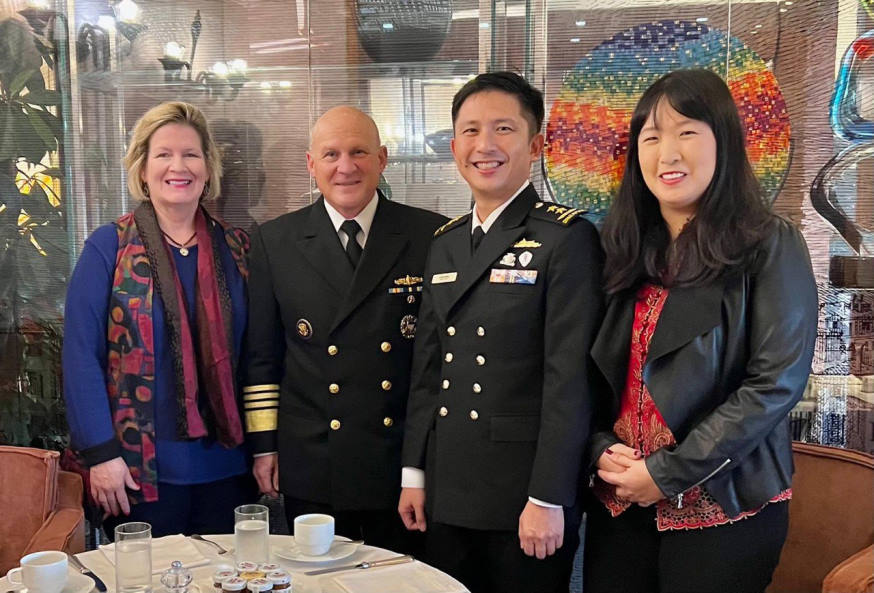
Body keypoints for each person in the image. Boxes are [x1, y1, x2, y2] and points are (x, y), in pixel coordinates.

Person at [584, 68, 818, 593]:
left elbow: (774, 384)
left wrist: (667, 472)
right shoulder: (623, 248)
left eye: (686, 132)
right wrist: (599, 447)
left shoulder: (769, 243)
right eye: (651, 136)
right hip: (620, 503)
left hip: (725, 505)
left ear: (724, 140)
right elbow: (587, 372)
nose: (667, 153)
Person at [398, 71, 604, 593]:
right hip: (448, 486)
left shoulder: (565, 238)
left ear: (535, 144)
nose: (484, 145)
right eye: (470, 131)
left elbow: (569, 381)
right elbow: (428, 367)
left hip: (524, 493)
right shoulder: (444, 241)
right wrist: (414, 474)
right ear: (453, 146)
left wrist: (549, 497)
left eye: (503, 129)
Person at [243, 106, 447, 550]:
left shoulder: (430, 235)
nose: (346, 166)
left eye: (358, 152)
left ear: (383, 159)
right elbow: (262, 358)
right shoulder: (275, 242)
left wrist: (423, 462)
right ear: (311, 164)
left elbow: (435, 364)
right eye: (331, 154)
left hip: (399, 462)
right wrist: (264, 446)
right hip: (313, 459)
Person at [63, 101, 254, 538]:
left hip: (228, 469)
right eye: (163, 154)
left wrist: (267, 449)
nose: (178, 166)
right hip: (135, 472)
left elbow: (259, 355)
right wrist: (100, 454)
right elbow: (79, 357)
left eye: (191, 153)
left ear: (207, 167)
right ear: (143, 167)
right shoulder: (107, 248)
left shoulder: (238, 249)